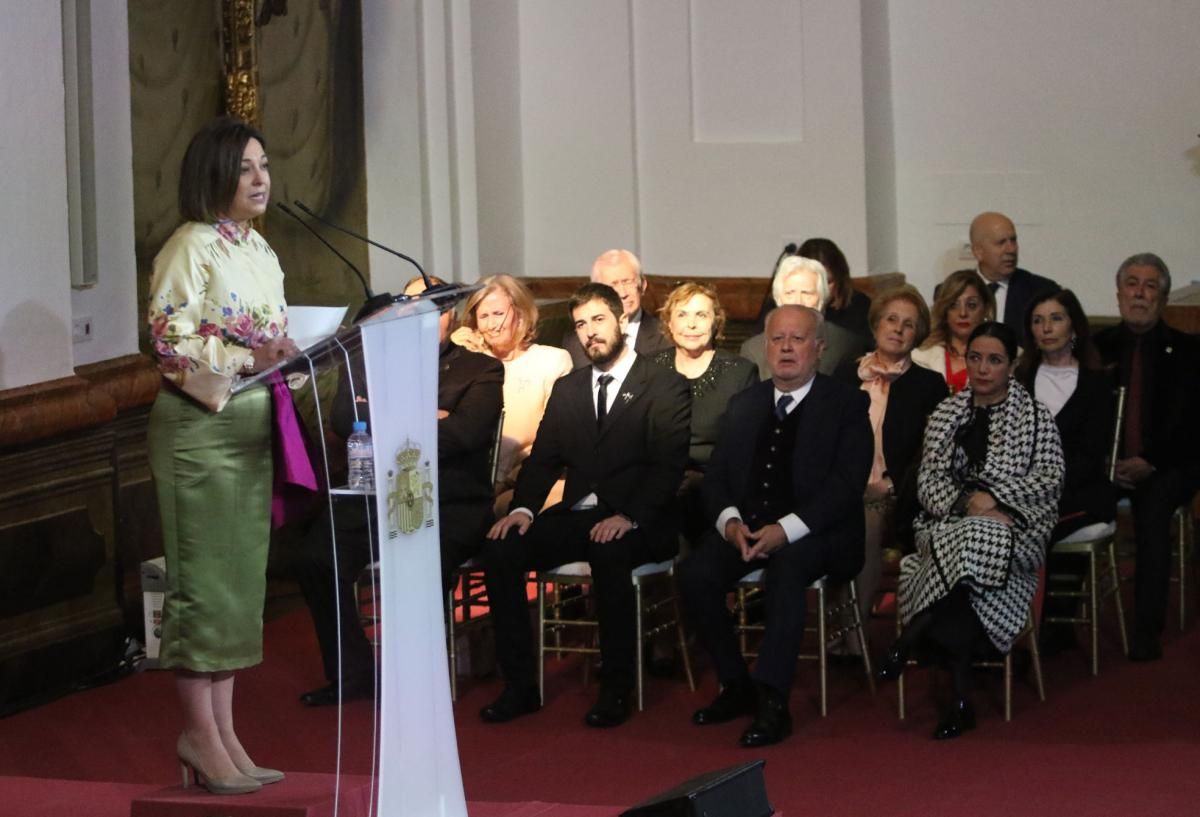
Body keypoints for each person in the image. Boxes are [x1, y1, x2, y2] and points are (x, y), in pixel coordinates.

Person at [146, 117, 299, 794]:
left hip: (250, 425)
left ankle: (226, 734)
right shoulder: (190, 246)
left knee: (239, 587)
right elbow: (168, 342)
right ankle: (197, 734)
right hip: (198, 430)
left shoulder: (261, 252)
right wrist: (248, 356)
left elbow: (277, 338)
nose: (261, 179)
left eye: (264, 165)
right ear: (214, 175)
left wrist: (293, 358)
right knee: (203, 586)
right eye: (245, 168)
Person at [480, 283, 690, 728]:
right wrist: (523, 510)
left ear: (620, 322)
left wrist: (629, 516)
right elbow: (543, 460)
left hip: (640, 519)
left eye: (598, 320)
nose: (590, 332)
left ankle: (616, 689)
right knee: (502, 549)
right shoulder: (570, 388)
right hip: (578, 515)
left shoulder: (663, 383)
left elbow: (668, 466)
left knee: (608, 551)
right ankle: (520, 686)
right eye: (580, 325)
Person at [296, 275, 503, 706]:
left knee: (416, 562)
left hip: (448, 500)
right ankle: (352, 673)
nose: (417, 316)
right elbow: (341, 421)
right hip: (376, 495)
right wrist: (426, 416)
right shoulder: (373, 361)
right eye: (408, 307)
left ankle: (417, 681)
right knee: (318, 557)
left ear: (449, 315)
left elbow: (463, 435)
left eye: (431, 308)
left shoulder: (480, 369)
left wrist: (382, 420)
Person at [679, 305, 873, 747]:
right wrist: (729, 525)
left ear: (819, 349)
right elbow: (718, 479)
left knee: (786, 571)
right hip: (747, 528)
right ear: (766, 348)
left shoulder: (846, 404)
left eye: (798, 339)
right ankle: (735, 683)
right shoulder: (745, 403)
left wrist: (786, 530)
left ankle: (772, 700)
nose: (786, 348)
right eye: (777, 339)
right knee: (697, 573)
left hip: (820, 532)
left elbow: (845, 487)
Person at [878, 322, 1064, 740]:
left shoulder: (1036, 419)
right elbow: (928, 482)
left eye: (994, 360)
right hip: (948, 524)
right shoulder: (947, 413)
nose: (982, 369)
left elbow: (1049, 481)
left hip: (1015, 530)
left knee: (980, 540)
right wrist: (967, 504)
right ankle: (960, 701)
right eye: (975, 358)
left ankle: (915, 634)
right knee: (965, 565)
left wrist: (994, 501)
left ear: (1012, 364)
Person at [1094, 253, 1200, 661]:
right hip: (1108, 466)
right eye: (1132, 284)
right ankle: (1057, 625)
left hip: (1168, 466)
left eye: (1150, 285)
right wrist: (1105, 463)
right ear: (1118, 294)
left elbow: (1192, 425)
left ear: (1164, 297)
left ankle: (1145, 629)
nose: (1139, 293)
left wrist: (1150, 460)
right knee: (1065, 500)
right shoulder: (1096, 349)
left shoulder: (1189, 352)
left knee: (1153, 510)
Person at [833, 285, 947, 652]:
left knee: (867, 521)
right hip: (843, 487)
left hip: (898, 494)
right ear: (877, 324)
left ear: (918, 334)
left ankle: (853, 635)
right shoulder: (846, 375)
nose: (898, 329)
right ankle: (832, 626)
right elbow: (826, 438)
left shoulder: (929, 384)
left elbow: (933, 451)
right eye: (892, 319)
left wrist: (892, 484)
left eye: (909, 324)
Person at [1014, 288, 1117, 653]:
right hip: (1023, 490)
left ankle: (1033, 630)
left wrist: (1043, 486)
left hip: (1078, 490)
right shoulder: (1019, 379)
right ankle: (1007, 626)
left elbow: (1091, 456)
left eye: (1055, 318)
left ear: (1074, 325)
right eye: (1038, 320)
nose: (1046, 328)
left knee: (1030, 527)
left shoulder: (1095, 382)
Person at [451, 274, 572, 513]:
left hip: (525, 479)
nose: (491, 325)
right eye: (483, 316)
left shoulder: (551, 360)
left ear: (521, 313)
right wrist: (453, 357)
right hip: (469, 482)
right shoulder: (473, 364)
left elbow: (555, 440)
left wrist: (506, 483)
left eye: (498, 314)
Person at [651, 282, 758, 542]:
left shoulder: (740, 372)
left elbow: (745, 447)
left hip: (717, 487)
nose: (691, 324)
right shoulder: (649, 369)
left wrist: (703, 480)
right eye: (682, 315)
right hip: (658, 486)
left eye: (701, 315)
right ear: (669, 323)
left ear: (715, 322)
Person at [741, 256, 870, 379]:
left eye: (807, 293)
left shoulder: (846, 345)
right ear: (778, 299)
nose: (798, 301)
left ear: (821, 299)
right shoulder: (753, 349)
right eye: (790, 293)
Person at [562, 249, 673, 368]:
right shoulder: (574, 344)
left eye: (627, 282)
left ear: (643, 285)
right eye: (612, 285)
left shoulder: (666, 336)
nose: (622, 293)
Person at [750, 238, 872, 343]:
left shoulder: (858, 305)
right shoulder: (777, 303)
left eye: (828, 282)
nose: (821, 289)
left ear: (841, 279)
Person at [958, 211, 1057, 341]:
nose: (1011, 250)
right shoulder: (953, 291)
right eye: (1001, 243)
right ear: (978, 252)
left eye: (1013, 240)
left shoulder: (1041, 290)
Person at [912, 269, 996, 393]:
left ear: (985, 308)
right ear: (944, 311)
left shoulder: (1007, 359)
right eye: (953, 305)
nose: (963, 313)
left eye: (971, 305)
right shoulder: (919, 357)